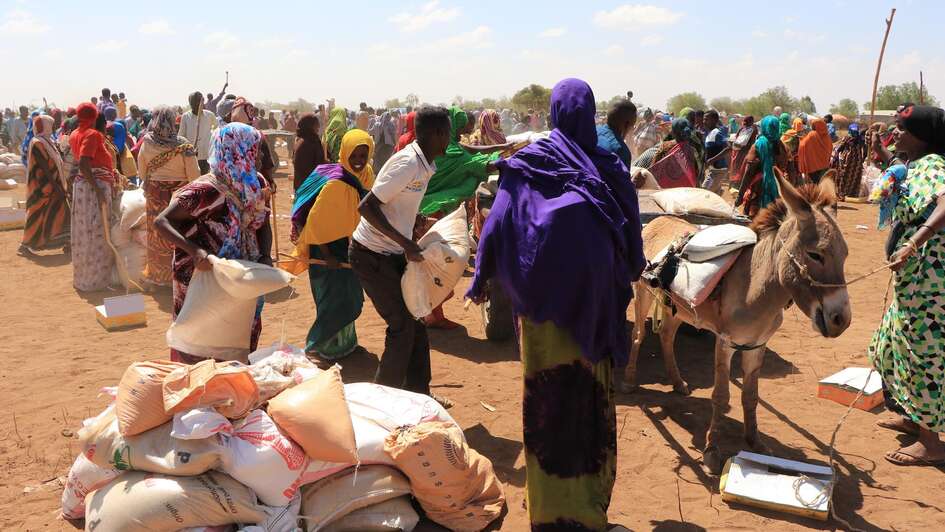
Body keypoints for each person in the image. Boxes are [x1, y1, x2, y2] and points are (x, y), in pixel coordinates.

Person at [469, 78, 645, 531]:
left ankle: (547, 509)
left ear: (552, 114)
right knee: (588, 406)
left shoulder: (527, 165)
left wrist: (486, 276)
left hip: (541, 319)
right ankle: (587, 511)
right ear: (591, 115)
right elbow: (630, 243)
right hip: (594, 315)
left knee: (546, 406)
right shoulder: (607, 166)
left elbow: (499, 228)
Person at [349, 106, 450, 400]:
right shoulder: (407, 163)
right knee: (402, 327)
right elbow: (366, 207)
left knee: (416, 320)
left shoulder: (425, 164)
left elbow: (397, 205)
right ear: (437, 134)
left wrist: (414, 225)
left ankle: (419, 396)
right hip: (371, 254)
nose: (450, 139)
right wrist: (407, 244)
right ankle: (384, 404)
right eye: (448, 133)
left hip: (392, 253)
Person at [155, 123, 273, 364]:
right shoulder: (205, 190)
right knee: (200, 337)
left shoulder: (255, 183)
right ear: (236, 151)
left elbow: (264, 222)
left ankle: (230, 389)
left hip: (239, 273)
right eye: (255, 150)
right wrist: (196, 250)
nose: (260, 156)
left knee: (239, 330)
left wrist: (265, 256)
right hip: (202, 274)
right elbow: (162, 222)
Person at [869, 104, 945, 467]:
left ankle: (931, 442)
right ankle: (914, 419)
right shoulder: (918, 165)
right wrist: (881, 153)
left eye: (901, 129)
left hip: (930, 281)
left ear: (923, 136)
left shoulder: (934, 166)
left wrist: (915, 241)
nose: (895, 133)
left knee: (923, 355)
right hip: (915, 279)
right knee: (891, 344)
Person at [287, 130, 375, 360]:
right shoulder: (336, 184)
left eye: (363, 156)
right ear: (344, 153)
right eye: (354, 155)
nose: (358, 161)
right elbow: (317, 225)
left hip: (350, 246)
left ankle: (345, 344)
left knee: (350, 295)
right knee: (333, 300)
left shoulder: (366, 175)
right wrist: (328, 257)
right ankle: (320, 346)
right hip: (327, 248)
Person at [137, 106, 200, 287]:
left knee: (157, 235)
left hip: (155, 195)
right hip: (178, 198)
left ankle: (160, 276)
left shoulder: (146, 142)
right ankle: (179, 275)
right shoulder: (184, 145)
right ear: (173, 121)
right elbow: (194, 176)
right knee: (179, 234)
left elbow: (142, 172)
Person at [69, 103, 117, 292]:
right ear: (94, 116)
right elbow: (83, 163)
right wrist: (98, 190)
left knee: (83, 233)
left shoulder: (74, 134)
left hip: (83, 189)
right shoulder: (92, 134)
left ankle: (84, 278)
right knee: (97, 234)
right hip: (92, 190)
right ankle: (96, 281)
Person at [20, 114, 69, 255]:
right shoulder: (37, 143)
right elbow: (44, 167)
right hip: (42, 186)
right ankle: (25, 245)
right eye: (51, 125)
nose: (54, 127)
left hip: (53, 185)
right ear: (45, 126)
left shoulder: (48, 141)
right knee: (37, 213)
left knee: (59, 213)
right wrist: (55, 186)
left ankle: (66, 242)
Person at [734, 115, 789, 217]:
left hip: (758, 191)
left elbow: (749, 172)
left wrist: (740, 195)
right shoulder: (783, 147)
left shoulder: (759, 145)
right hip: (777, 192)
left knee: (755, 221)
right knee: (773, 221)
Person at [634, 118, 700, 188]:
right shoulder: (694, 151)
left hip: (663, 191)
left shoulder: (664, 147)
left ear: (673, 133)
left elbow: (654, 167)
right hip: (687, 191)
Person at [178, 91, 218, 174]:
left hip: (207, 155)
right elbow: (181, 136)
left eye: (199, 101)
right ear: (191, 103)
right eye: (195, 101)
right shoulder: (185, 117)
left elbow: (217, 131)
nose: (198, 103)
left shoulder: (210, 115)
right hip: (191, 157)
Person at [596, 99, 637, 169]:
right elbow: (622, 179)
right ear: (626, 125)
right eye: (632, 126)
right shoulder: (621, 151)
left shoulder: (592, 131)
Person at [832, 122, 868, 198]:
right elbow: (865, 150)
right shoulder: (859, 139)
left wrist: (835, 157)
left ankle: (843, 194)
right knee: (854, 177)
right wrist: (862, 160)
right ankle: (851, 194)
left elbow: (839, 148)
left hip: (848, 161)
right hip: (856, 161)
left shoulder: (847, 138)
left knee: (845, 176)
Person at [292, 113, 325, 191]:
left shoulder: (299, 141)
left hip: (299, 184)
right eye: (316, 125)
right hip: (311, 186)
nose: (318, 127)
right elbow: (320, 164)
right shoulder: (313, 140)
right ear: (310, 126)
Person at [798, 118, 834, 183]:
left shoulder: (812, 134)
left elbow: (803, 145)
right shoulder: (827, 136)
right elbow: (831, 148)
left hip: (813, 167)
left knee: (815, 184)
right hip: (825, 165)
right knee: (823, 183)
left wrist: (800, 139)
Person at [702, 110, 730, 194]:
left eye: (706, 119)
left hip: (718, 170)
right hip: (713, 170)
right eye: (704, 119)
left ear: (714, 120)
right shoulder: (709, 133)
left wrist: (712, 160)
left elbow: (728, 147)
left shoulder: (717, 133)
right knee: (713, 193)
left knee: (705, 192)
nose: (704, 122)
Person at [730, 115, 758, 187]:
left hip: (746, 151)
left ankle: (739, 183)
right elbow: (737, 137)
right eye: (744, 122)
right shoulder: (742, 129)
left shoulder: (753, 129)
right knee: (736, 166)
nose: (745, 123)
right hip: (738, 150)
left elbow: (749, 141)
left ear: (751, 122)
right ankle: (734, 182)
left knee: (742, 167)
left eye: (747, 122)